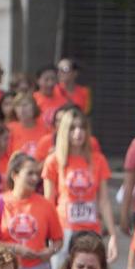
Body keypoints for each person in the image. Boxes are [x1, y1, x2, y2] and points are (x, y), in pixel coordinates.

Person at [42, 109, 121, 255]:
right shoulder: (54, 160)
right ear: (64, 131)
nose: (78, 132)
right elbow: (49, 202)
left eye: (82, 127)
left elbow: (104, 201)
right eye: (72, 128)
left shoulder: (98, 160)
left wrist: (113, 235)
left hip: (91, 229)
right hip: (63, 229)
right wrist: (48, 234)